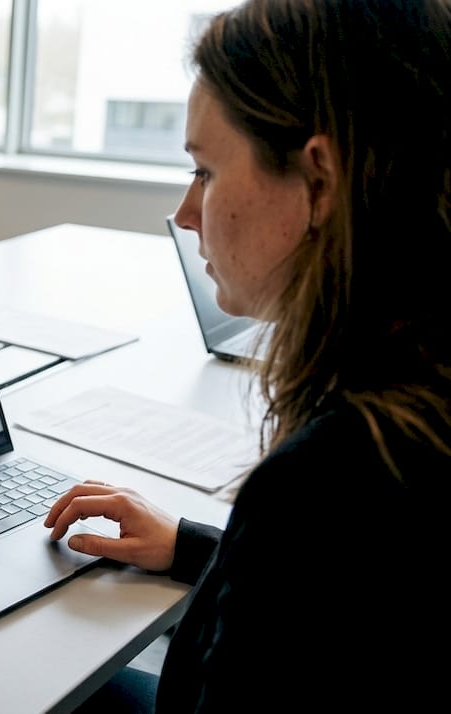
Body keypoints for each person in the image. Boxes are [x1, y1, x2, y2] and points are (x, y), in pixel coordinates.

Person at [45, 1, 451, 710]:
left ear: (319, 182)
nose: (185, 211)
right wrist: (198, 547)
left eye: (204, 170)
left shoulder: (333, 481)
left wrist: (262, 548)